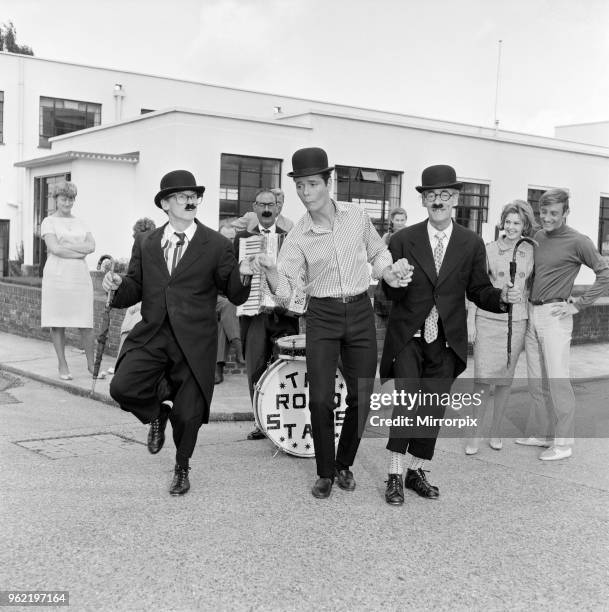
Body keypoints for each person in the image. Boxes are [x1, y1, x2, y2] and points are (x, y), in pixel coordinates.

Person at [255, 147, 411, 499]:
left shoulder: (356, 216)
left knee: (363, 396)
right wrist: (271, 272)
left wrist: (389, 270)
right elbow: (287, 292)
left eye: (312, 184)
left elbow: (377, 252)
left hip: (359, 311)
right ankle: (325, 471)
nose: (305, 192)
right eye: (300, 186)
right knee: (321, 400)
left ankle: (344, 463)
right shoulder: (297, 237)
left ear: (328, 182)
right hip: (322, 316)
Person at [103, 169, 252, 496]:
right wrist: (116, 286)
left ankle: (182, 467)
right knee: (122, 386)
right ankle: (157, 414)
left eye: (193, 196)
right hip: (154, 334)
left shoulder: (216, 244)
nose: (190, 201)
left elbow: (236, 294)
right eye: (182, 196)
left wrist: (244, 272)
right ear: (166, 204)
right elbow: (135, 288)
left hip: (195, 341)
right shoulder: (146, 241)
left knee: (189, 415)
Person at [380, 164, 521, 506]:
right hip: (409, 337)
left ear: (455, 198)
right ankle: (395, 475)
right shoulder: (402, 239)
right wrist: (391, 280)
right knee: (408, 403)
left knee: (432, 407)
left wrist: (500, 297)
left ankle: (416, 470)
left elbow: (478, 289)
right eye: (431, 195)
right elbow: (389, 295)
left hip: (446, 340)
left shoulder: (471, 243)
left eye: (444, 194)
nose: (437, 201)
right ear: (424, 200)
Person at [517, 188, 609, 460]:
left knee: (557, 380)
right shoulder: (537, 236)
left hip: (555, 316)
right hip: (532, 313)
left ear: (566, 212)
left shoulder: (579, 241)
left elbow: (604, 273)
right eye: (543, 212)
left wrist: (578, 304)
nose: (547, 218)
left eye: (554, 213)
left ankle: (564, 443)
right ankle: (543, 433)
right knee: (537, 380)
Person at [465, 200, 536, 455]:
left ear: (525, 224)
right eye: (508, 221)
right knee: (482, 379)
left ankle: (496, 431)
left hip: (516, 322)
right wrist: (470, 320)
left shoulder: (531, 250)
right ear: (502, 223)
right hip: (487, 319)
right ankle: (474, 435)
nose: (512, 226)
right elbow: (475, 288)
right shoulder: (488, 249)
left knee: (505, 381)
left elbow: (532, 286)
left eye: (517, 222)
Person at [40, 180, 98, 381]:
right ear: (56, 199)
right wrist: (79, 252)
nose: (67, 202)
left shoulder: (81, 222)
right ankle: (62, 364)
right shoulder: (49, 222)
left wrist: (70, 250)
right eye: (64, 198)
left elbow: (92, 246)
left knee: (86, 321)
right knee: (57, 322)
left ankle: (92, 365)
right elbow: (55, 249)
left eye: (71, 198)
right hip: (57, 277)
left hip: (80, 277)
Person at [106, 218, 157, 376]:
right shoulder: (138, 255)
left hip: (154, 303)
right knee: (127, 320)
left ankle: (122, 364)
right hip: (139, 301)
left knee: (131, 325)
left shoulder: (158, 256)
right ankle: (120, 362)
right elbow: (133, 281)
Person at [215, 220, 245, 384]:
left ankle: (218, 370)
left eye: (232, 238)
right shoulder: (211, 253)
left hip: (226, 302)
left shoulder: (238, 256)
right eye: (226, 238)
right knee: (228, 305)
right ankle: (238, 345)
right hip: (210, 297)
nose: (230, 242)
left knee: (222, 325)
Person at [375, 207, 409, 318]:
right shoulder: (386, 236)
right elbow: (380, 256)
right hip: (389, 273)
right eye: (397, 220)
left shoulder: (410, 234)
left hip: (404, 273)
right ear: (392, 220)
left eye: (402, 220)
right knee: (385, 309)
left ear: (406, 220)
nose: (400, 223)